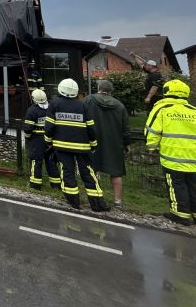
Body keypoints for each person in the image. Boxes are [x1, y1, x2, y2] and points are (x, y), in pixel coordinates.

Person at [145, 79, 196, 228]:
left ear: (166, 92)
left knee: (176, 186)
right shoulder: (195, 112)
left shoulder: (161, 109)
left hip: (172, 158)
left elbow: (152, 131)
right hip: (195, 160)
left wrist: (152, 148)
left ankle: (180, 215)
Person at [44, 78, 110, 212]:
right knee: (88, 173)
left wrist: (48, 141)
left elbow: (49, 127)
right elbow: (91, 128)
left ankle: (73, 201)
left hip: (62, 146)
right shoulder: (82, 105)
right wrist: (93, 145)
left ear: (60, 89)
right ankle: (97, 203)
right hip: (82, 147)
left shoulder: (54, 104)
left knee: (67, 172)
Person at [84, 80, 131, 209]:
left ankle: (95, 197)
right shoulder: (119, 105)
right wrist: (127, 144)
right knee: (116, 173)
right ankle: (117, 201)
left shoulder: (88, 100)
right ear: (111, 91)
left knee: (93, 171)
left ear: (98, 88)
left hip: (92, 142)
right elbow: (126, 128)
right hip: (114, 144)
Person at [24, 89, 61, 190]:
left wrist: (28, 138)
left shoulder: (32, 110)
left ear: (34, 99)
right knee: (51, 161)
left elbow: (28, 129)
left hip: (37, 140)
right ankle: (56, 185)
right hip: (50, 140)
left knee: (36, 161)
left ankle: (35, 185)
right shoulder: (52, 108)